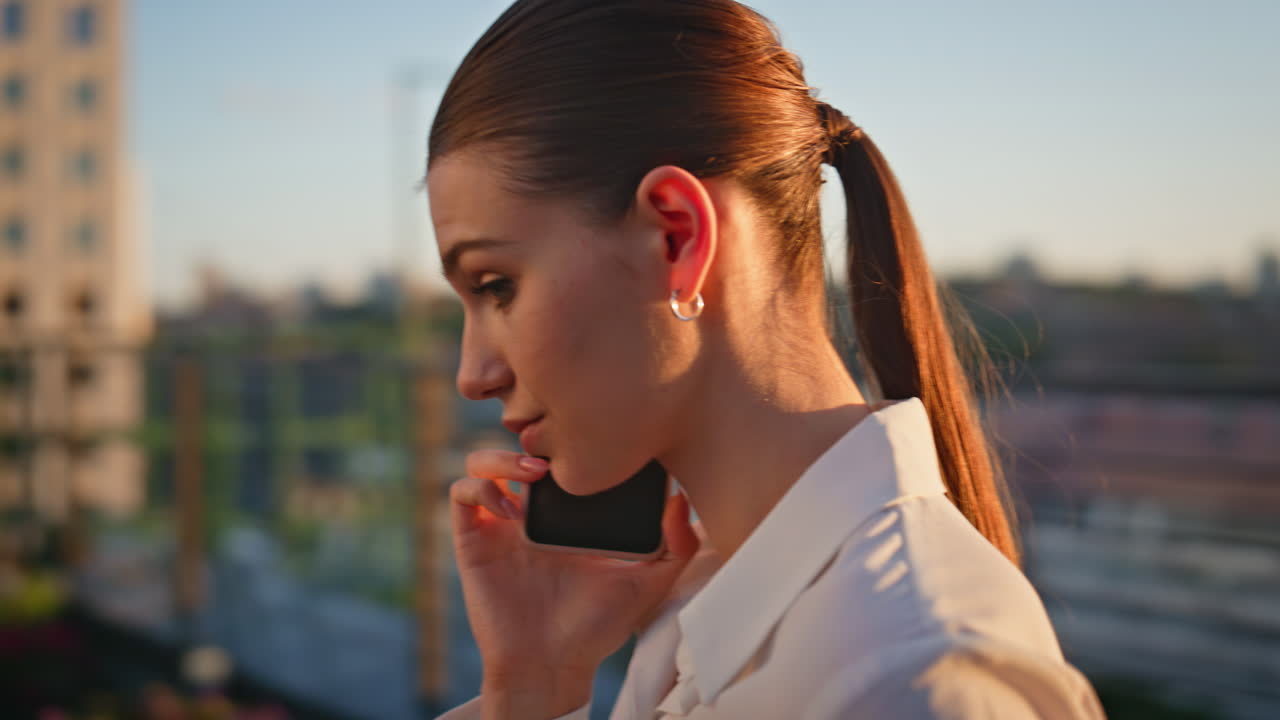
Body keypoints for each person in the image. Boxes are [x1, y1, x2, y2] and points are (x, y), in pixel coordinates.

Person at [426, 1, 1106, 718]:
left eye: (496, 286)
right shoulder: (712, 601)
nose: (474, 376)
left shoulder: (909, 680)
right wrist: (534, 686)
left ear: (678, 238)